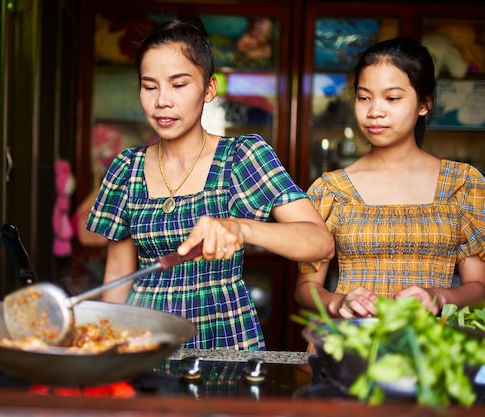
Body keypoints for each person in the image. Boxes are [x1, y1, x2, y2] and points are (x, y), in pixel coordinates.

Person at [87, 16, 334, 350]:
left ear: (209, 89)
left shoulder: (241, 157)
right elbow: (118, 275)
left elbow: (319, 242)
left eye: (179, 84)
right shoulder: (126, 169)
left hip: (224, 340)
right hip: (146, 341)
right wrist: (102, 350)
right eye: (150, 86)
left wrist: (241, 228)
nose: (162, 101)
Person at [296, 37, 485, 319]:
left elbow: (479, 288)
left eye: (392, 98)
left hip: (434, 350)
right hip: (352, 349)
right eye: (364, 97)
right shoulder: (330, 189)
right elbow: (306, 287)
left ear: (424, 103)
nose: (375, 111)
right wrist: (339, 302)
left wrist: (438, 297)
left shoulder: (462, 184)